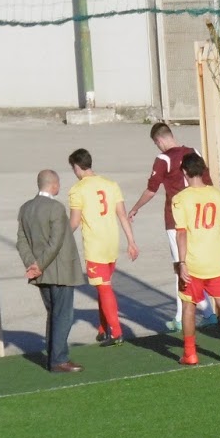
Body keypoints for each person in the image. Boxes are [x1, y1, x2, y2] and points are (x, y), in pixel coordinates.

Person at [128, 121, 214, 331]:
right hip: (197, 218)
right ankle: (201, 313)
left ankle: (192, 316)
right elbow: (208, 182)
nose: (158, 147)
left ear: (159, 140)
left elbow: (151, 190)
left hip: (175, 220)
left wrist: (135, 208)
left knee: (180, 267)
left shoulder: (163, 159)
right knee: (193, 265)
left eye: (156, 143)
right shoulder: (193, 152)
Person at [171, 153, 220, 366]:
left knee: (189, 307)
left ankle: (190, 354)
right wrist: (212, 240)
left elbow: (181, 234)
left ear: (185, 172)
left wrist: (182, 262)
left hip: (193, 264)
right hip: (216, 262)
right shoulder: (217, 195)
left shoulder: (180, 199)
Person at [67, 147, 139, 346]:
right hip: (111, 243)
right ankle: (103, 327)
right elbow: (122, 215)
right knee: (103, 286)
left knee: (104, 288)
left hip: (95, 246)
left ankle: (116, 333)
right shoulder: (110, 184)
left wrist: (60, 237)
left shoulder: (77, 189)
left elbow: (74, 221)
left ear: (77, 167)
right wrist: (131, 241)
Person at [16, 169, 83, 373]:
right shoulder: (56, 208)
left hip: (40, 272)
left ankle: (53, 357)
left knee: (53, 313)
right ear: (54, 185)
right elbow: (56, 242)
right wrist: (40, 264)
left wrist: (32, 264)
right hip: (59, 270)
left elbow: (21, 241)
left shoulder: (26, 208)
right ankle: (59, 360)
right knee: (63, 315)